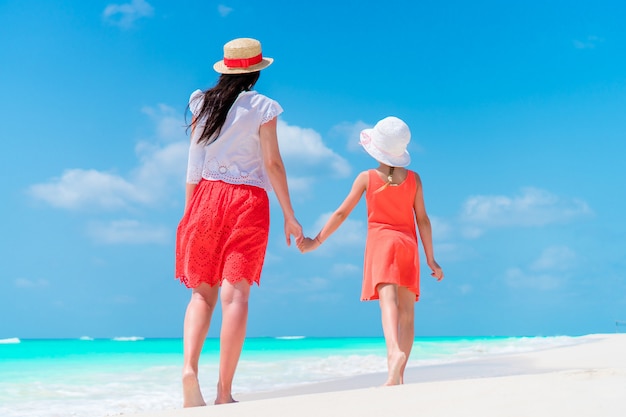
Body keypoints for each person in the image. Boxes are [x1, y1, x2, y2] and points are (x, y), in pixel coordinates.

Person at [175, 38, 303, 407]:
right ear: (256, 72)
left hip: (204, 199)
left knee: (201, 294)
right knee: (236, 297)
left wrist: (189, 213)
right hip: (246, 202)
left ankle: (188, 369)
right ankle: (223, 392)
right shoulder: (263, 107)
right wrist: (290, 215)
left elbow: (193, 161)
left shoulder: (202, 101)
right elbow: (273, 163)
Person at [297, 116, 444, 386]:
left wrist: (316, 241)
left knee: (388, 304)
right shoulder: (414, 180)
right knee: (408, 314)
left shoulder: (366, 178)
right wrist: (431, 259)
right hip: (408, 246)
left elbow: (342, 213)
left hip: (382, 245)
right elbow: (423, 219)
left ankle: (393, 354)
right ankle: (397, 375)